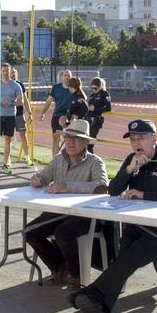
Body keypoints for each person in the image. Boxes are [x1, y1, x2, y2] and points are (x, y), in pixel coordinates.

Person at [67, 119, 157, 313]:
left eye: (141, 138)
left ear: (154, 139)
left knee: (129, 257)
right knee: (124, 256)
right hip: (137, 224)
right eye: (132, 140)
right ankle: (99, 301)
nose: (136, 144)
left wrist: (144, 194)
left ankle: (92, 294)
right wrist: (129, 170)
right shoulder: (132, 159)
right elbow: (113, 190)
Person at [22, 119, 109, 286]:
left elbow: (102, 187)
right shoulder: (58, 159)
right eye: (67, 137)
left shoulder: (95, 162)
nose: (70, 142)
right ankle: (60, 267)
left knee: (64, 232)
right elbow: (44, 175)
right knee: (30, 231)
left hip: (85, 215)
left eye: (75, 138)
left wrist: (67, 187)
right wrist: (37, 179)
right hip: (58, 212)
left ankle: (77, 275)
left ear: (85, 142)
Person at [0, 62, 27, 174]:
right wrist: (0, 102)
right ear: (1, 71)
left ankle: (6, 164)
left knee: (8, 139)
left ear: (11, 71)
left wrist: (11, 103)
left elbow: (21, 101)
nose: (5, 73)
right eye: (3, 70)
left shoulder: (16, 86)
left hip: (10, 115)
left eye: (7, 71)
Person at [38, 70, 74, 155]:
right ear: (62, 77)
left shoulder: (73, 88)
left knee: (68, 141)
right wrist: (43, 113)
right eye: (65, 75)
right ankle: (54, 161)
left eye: (68, 75)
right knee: (55, 139)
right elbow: (49, 101)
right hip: (57, 116)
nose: (66, 77)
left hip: (69, 118)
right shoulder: (56, 87)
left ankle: (67, 162)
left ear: (71, 77)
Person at [85, 77, 113, 151]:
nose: (94, 90)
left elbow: (108, 108)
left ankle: (91, 160)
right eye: (92, 88)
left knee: (90, 144)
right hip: (88, 119)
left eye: (95, 88)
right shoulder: (92, 95)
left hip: (96, 121)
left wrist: (96, 109)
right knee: (84, 142)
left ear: (101, 86)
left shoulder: (104, 93)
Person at [12, 71, 32, 165]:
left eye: (15, 73)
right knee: (7, 137)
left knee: (23, 134)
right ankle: (6, 160)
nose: (13, 75)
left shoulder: (20, 85)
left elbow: (25, 99)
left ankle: (26, 156)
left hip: (19, 114)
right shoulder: (3, 85)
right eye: (11, 73)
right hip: (8, 114)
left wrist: (29, 112)